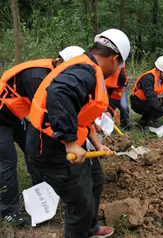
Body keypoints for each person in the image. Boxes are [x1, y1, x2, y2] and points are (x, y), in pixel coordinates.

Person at [27, 28, 130, 238]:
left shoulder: (88, 67)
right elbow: (59, 93)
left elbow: (83, 114)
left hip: (69, 141)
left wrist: (98, 144)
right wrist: (70, 142)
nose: (118, 70)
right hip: (50, 148)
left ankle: (90, 229)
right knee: (80, 207)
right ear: (115, 58)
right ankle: (82, 228)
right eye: (120, 65)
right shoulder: (84, 72)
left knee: (96, 178)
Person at [0, 46, 84, 226]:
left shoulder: (54, 73)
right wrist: (68, 139)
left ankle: (38, 188)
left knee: (33, 150)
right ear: (61, 63)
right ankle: (9, 211)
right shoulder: (37, 78)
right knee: (8, 160)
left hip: (14, 115)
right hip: (1, 117)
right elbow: (49, 112)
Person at [105, 66, 131, 130]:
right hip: (105, 87)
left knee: (124, 106)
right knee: (107, 107)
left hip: (120, 87)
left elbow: (123, 81)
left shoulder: (121, 72)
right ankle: (106, 125)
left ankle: (125, 125)